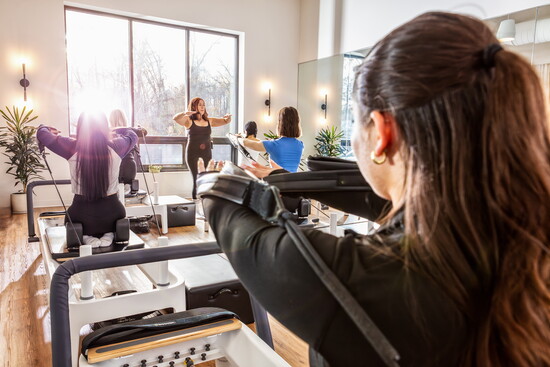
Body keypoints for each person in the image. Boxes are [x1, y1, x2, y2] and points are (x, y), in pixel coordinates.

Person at [199, 12, 550, 367]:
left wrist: (219, 174)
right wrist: (282, 179)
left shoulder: (371, 277)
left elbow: (222, 197)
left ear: (381, 132)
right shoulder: (522, 234)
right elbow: (398, 198)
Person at [37, 111, 142, 248]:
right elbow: (133, 135)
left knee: (71, 219)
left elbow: (42, 134)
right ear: (105, 127)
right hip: (113, 215)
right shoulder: (117, 146)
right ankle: (109, 234)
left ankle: (87, 237)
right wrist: (118, 129)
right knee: (110, 222)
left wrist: (43, 127)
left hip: (81, 217)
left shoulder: (71, 147)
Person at [173, 97, 231, 199]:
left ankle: (205, 204)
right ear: (194, 106)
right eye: (200, 105)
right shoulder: (189, 121)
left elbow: (225, 121)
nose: (202, 107)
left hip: (207, 153)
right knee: (197, 179)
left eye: (203, 105)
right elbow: (176, 119)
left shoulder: (209, 121)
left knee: (207, 178)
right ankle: (196, 205)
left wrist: (228, 119)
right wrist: (185, 113)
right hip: (192, 154)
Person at [242, 106, 303, 172]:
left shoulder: (274, 144)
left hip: (277, 181)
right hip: (294, 181)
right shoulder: (300, 145)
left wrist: (239, 137)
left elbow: (248, 143)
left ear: (280, 124)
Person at [108, 109, 146, 191]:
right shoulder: (130, 131)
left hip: (115, 166)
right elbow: (144, 132)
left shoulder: (108, 131)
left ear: (111, 120)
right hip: (129, 167)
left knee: (115, 194)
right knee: (126, 194)